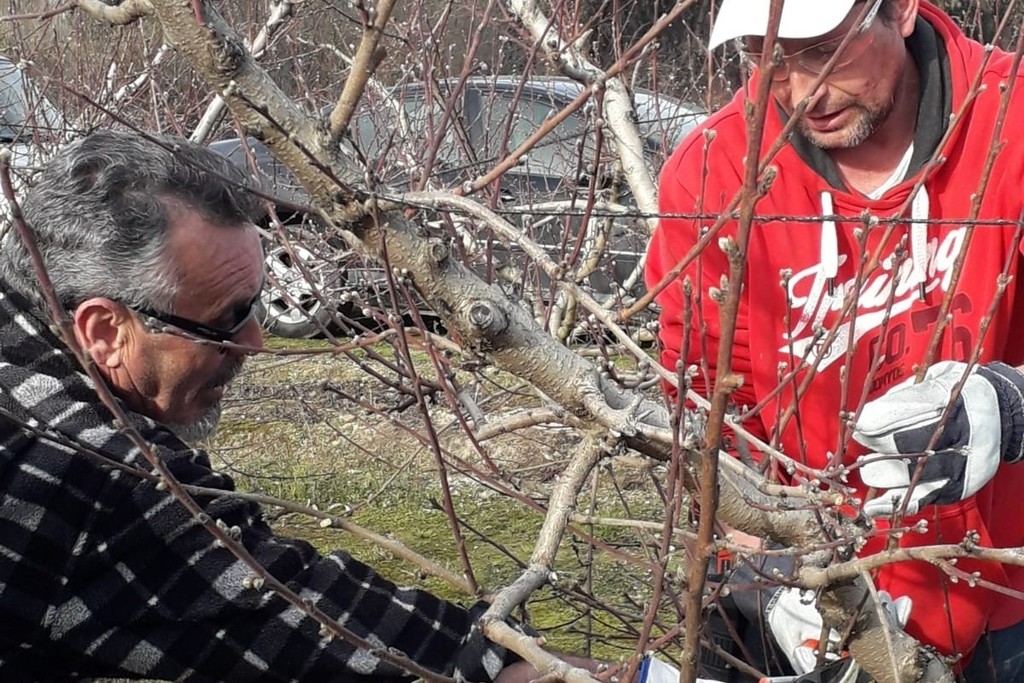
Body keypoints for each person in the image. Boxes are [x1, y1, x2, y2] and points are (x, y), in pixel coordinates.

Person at [0, 129, 555, 682]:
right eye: (223, 320)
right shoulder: (82, 467)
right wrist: (518, 663)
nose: (254, 341)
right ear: (104, 330)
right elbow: (298, 612)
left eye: (256, 304)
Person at [645, 0, 1024, 681]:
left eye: (822, 49)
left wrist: (1016, 403)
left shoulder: (1010, 120)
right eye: (766, 57)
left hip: (1005, 592)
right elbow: (704, 399)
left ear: (900, 10)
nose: (799, 92)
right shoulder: (717, 171)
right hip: (816, 591)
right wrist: (770, 566)